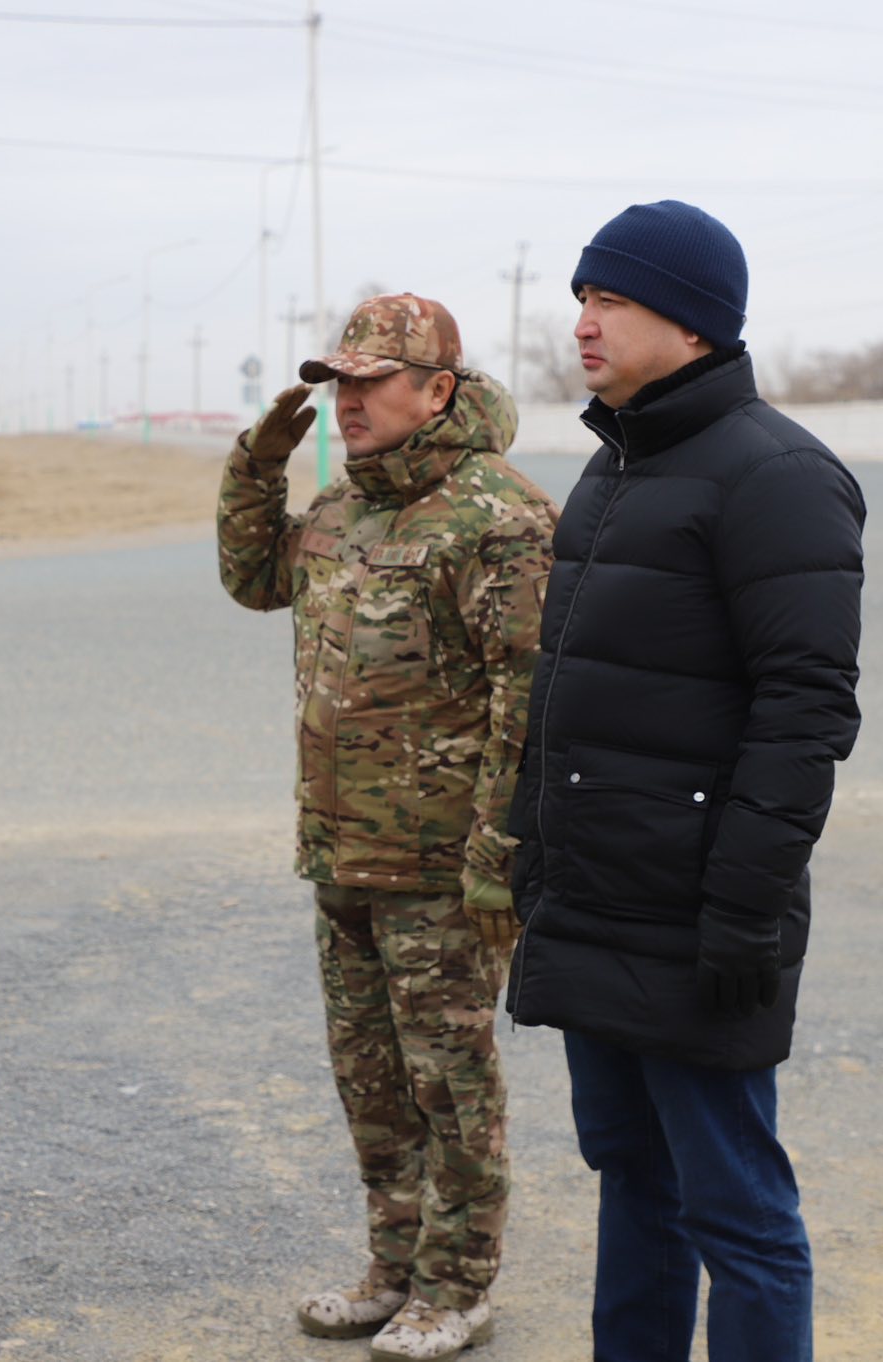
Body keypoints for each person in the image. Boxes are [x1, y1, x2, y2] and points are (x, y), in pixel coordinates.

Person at [504, 200, 865, 1361]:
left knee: (735, 1210)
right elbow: (567, 695)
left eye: (610, 298)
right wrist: (532, 865)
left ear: (693, 322)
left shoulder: (776, 476)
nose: (582, 322)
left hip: (696, 914)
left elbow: (803, 712)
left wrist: (742, 910)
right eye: (579, 298)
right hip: (597, 899)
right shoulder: (613, 468)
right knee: (630, 1175)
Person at [218, 294, 559, 1361]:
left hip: (443, 866)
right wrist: (254, 465)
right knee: (369, 1079)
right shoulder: (344, 506)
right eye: (338, 384)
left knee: (448, 1083)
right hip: (343, 850)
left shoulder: (498, 516)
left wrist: (499, 853)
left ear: (436, 389)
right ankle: (393, 1267)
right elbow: (253, 579)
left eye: (370, 383)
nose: (348, 402)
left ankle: (457, 1286)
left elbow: (527, 700)